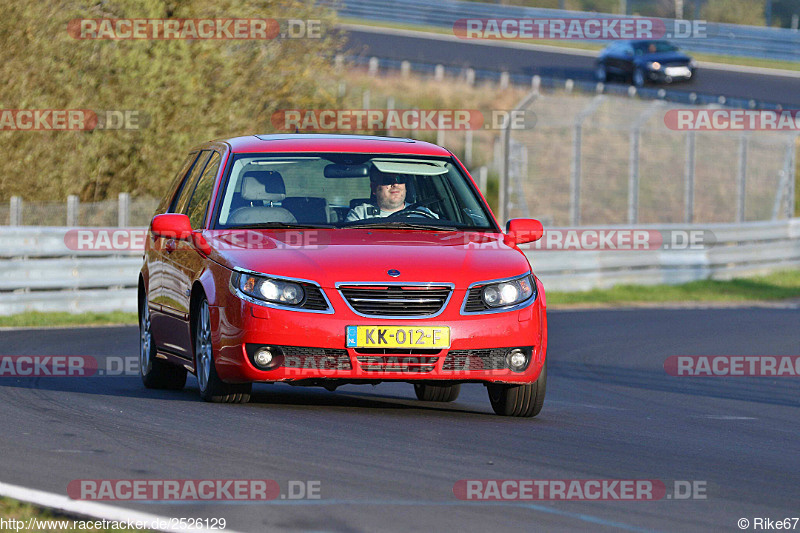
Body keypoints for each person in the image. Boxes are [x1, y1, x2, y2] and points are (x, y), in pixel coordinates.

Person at [346, 166, 437, 221]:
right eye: (388, 180)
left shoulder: (424, 215)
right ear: (374, 188)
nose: (395, 184)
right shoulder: (360, 215)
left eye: (400, 179)